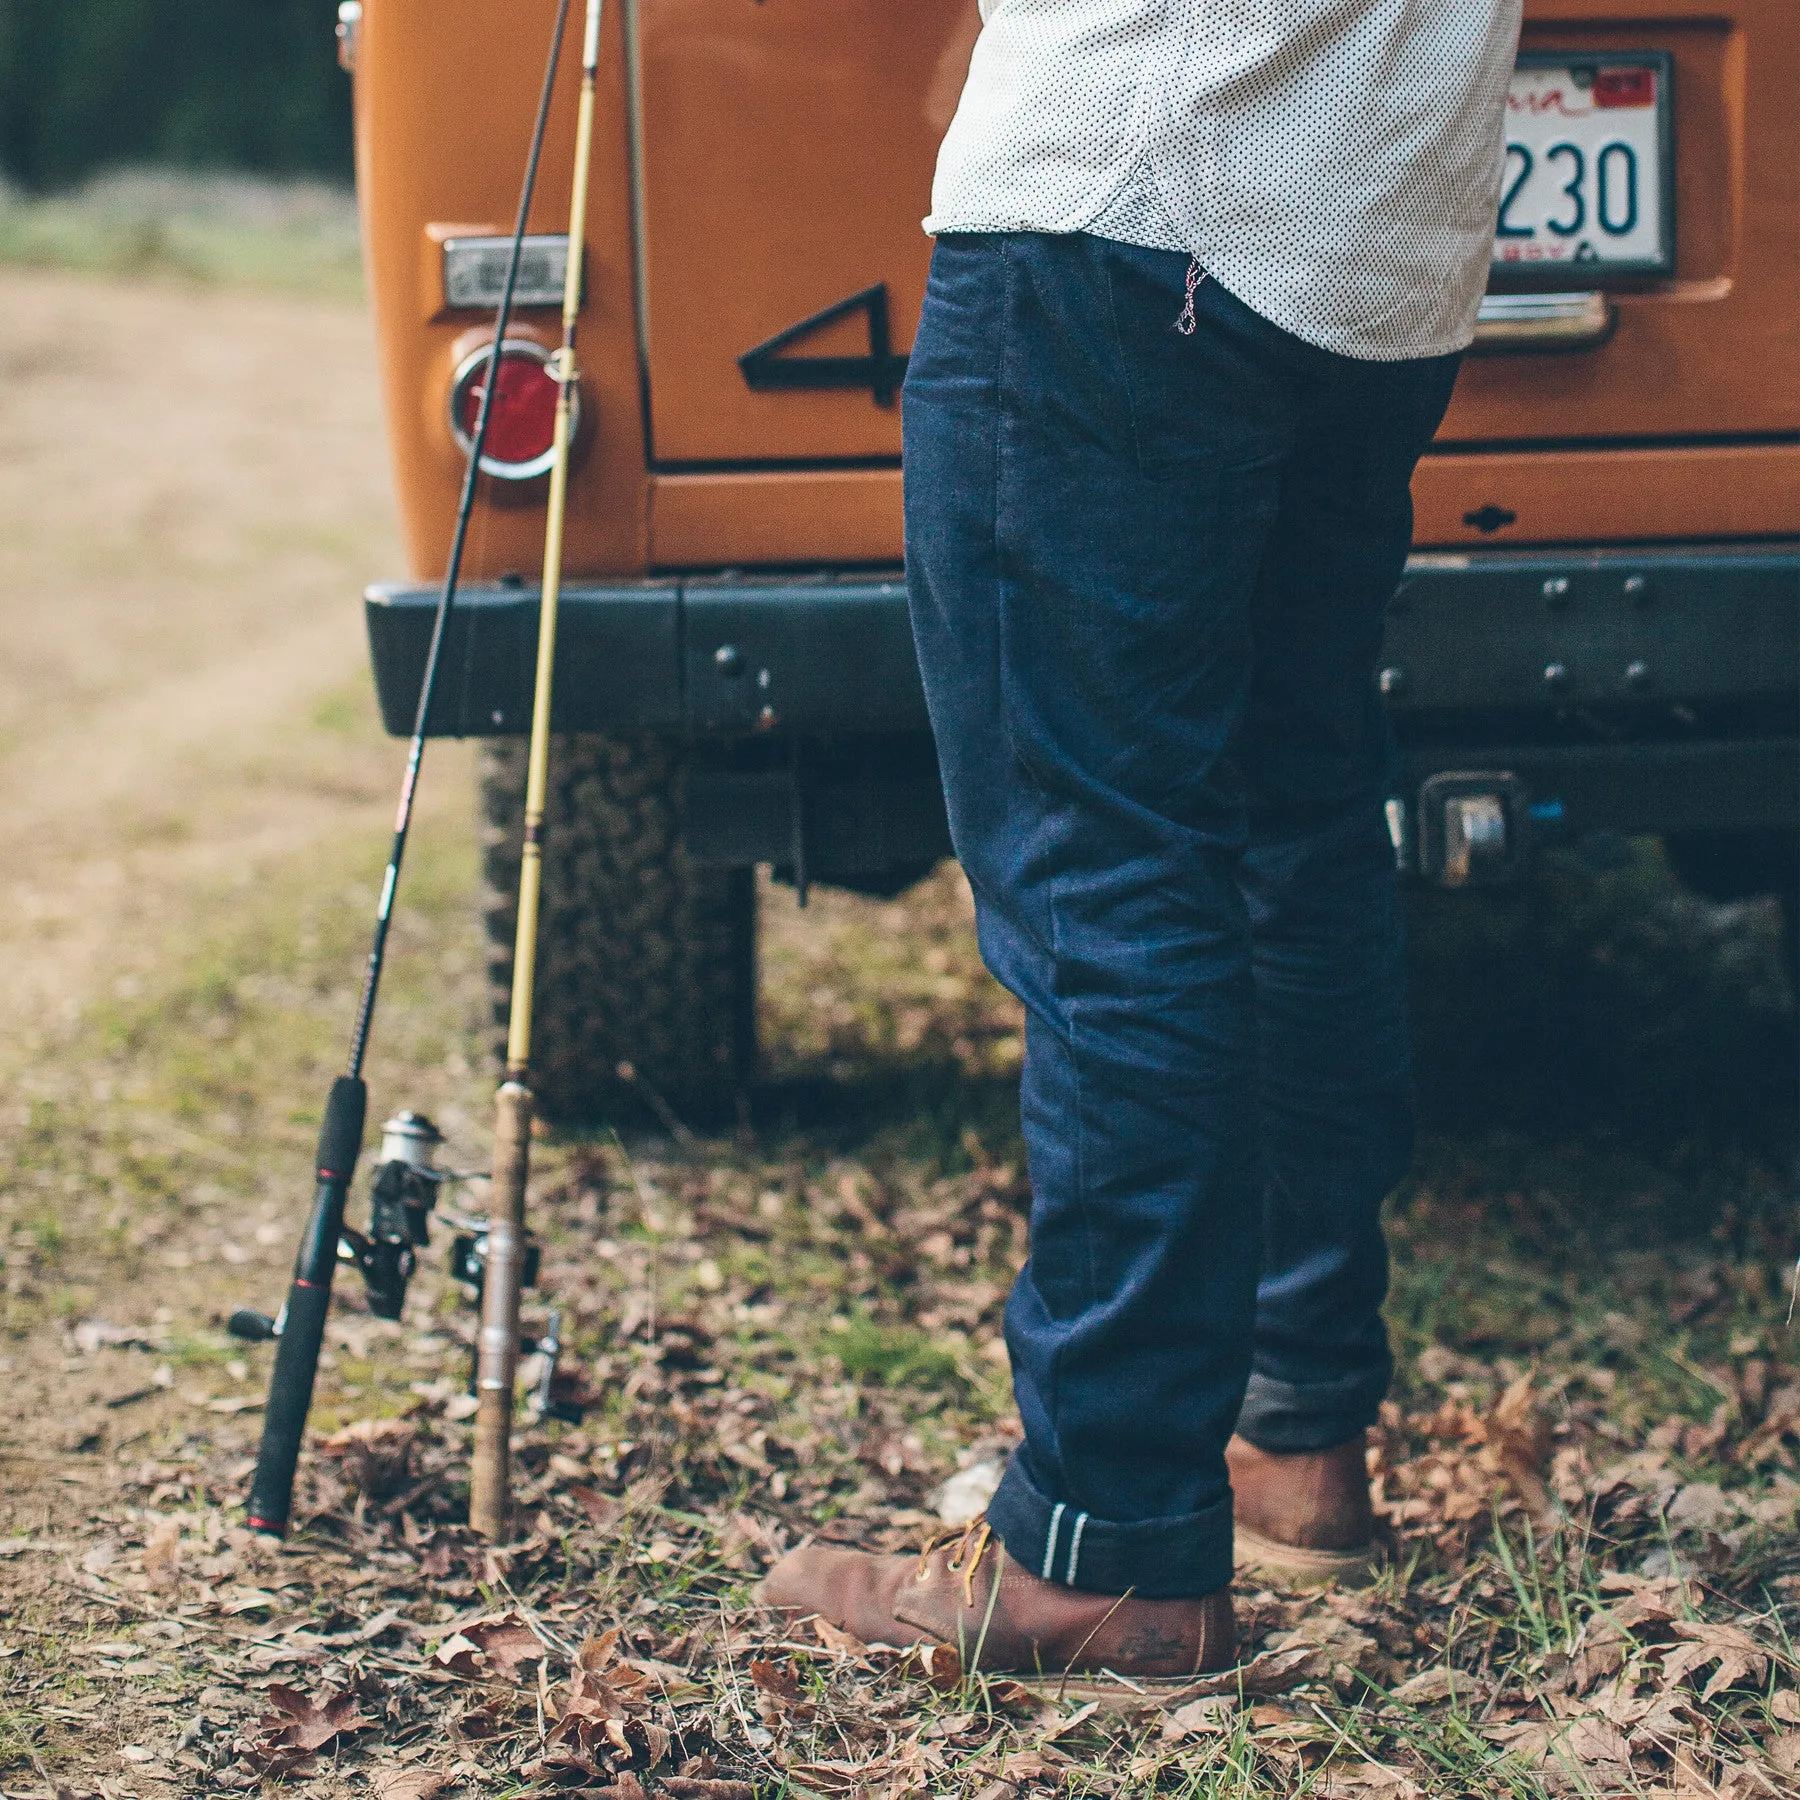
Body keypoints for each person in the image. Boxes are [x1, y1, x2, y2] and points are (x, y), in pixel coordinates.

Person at [761, 0, 1523, 1680]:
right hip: (1376, 231)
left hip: (1132, 198)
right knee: (1286, 829)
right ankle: (1288, 1442)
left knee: (1102, 864)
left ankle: (1106, 1538)